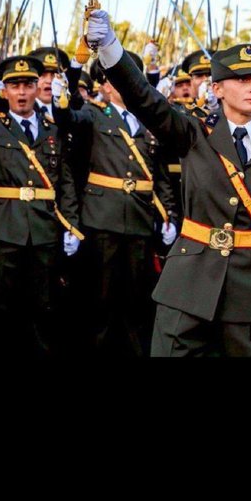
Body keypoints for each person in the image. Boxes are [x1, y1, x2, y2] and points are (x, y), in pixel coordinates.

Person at [83, 9, 251, 358]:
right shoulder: (193, 132)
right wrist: (111, 47)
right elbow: (145, 100)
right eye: (243, 79)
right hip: (188, 284)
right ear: (217, 88)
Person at [51, 50, 178, 357]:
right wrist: (62, 95)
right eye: (116, 80)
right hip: (102, 218)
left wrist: (169, 215)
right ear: (105, 86)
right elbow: (68, 117)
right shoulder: (95, 115)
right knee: (101, 300)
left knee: (137, 300)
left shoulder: (152, 120)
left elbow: (161, 175)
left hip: (140, 219)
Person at [0, 54, 82, 359]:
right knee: (2, 311)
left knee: (44, 310)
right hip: (4, 230)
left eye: (28, 85)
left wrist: (70, 224)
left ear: (36, 88)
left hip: (44, 231)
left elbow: (65, 181)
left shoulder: (52, 129)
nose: (21, 92)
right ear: (4, 90)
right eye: (14, 85)